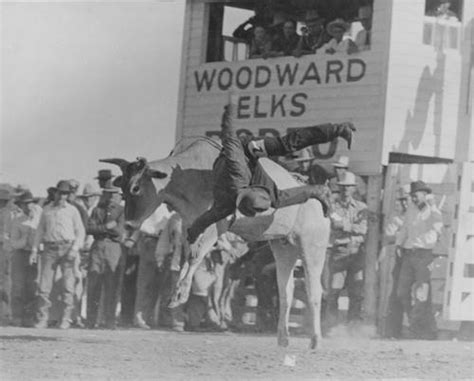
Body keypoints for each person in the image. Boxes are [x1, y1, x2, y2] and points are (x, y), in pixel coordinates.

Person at [187, 102, 355, 244]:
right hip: (239, 168)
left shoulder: (235, 170)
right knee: (277, 199)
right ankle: (317, 191)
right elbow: (201, 223)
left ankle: (339, 129)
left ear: (252, 189)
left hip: (244, 152)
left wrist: (230, 110)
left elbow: (229, 135)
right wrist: (192, 236)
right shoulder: (224, 207)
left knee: (285, 145)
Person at [31, 180, 86, 329]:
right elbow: (40, 231)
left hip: (67, 248)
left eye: (66, 194)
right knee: (44, 285)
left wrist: (74, 249)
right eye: (60, 193)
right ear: (55, 193)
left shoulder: (72, 210)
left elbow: (80, 231)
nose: (62, 196)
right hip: (50, 248)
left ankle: (66, 318)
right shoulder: (47, 210)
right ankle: (43, 318)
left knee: (68, 285)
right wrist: (35, 250)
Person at [395, 181, 442, 339]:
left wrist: (433, 205)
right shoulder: (411, 210)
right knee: (402, 292)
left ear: (424, 194)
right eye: (412, 196)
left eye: (416, 196)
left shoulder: (433, 211)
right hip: (409, 254)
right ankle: (414, 323)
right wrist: (399, 244)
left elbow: (437, 228)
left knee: (421, 295)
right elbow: (405, 229)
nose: (414, 199)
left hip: (424, 255)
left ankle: (416, 328)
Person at [323, 172, 368, 330]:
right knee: (334, 290)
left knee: (356, 292)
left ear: (354, 188)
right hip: (340, 251)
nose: (346, 190)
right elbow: (334, 224)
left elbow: (363, 229)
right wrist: (350, 227)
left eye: (349, 186)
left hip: (356, 252)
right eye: (343, 187)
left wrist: (345, 226)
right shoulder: (333, 207)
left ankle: (353, 328)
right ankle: (332, 327)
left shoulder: (362, 207)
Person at [86, 183, 125, 329]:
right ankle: (91, 321)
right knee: (94, 284)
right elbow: (89, 228)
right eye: (108, 194)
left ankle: (110, 321)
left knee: (111, 285)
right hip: (98, 247)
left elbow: (120, 232)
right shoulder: (97, 210)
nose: (110, 198)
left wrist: (105, 229)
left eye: (114, 194)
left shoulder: (122, 211)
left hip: (113, 248)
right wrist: (106, 227)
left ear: (119, 196)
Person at [133, 204, 172, 329]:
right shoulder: (153, 206)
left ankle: (151, 317)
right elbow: (143, 226)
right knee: (145, 282)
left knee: (160, 283)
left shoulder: (172, 208)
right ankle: (140, 316)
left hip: (167, 244)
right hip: (151, 241)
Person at [10, 191, 41, 326]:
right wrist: (25, 238)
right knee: (18, 285)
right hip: (20, 254)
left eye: (29, 203)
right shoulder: (17, 221)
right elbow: (13, 242)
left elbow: (43, 237)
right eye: (24, 204)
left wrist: (35, 245)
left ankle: (29, 316)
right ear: (20, 206)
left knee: (32, 285)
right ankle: (17, 316)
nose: (27, 207)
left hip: (35, 254)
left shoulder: (39, 219)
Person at [382, 186, 409, 339]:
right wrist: (403, 235)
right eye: (402, 201)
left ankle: (415, 329)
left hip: (416, 257)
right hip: (401, 258)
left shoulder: (419, 216)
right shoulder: (396, 218)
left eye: (407, 200)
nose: (405, 204)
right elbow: (388, 237)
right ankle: (393, 330)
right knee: (397, 294)